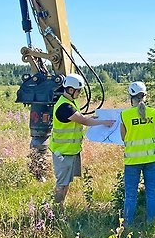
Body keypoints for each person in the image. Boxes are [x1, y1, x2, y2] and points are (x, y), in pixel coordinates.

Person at [48, 73, 114, 208]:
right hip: (63, 153)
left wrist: (94, 119)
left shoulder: (70, 103)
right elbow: (83, 121)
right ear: (71, 90)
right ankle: (55, 210)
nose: (80, 93)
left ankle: (59, 208)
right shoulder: (64, 107)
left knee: (66, 183)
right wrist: (104, 122)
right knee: (62, 184)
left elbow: (79, 117)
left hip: (69, 151)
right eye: (78, 91)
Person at [120, 81, 155, 226]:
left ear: (131, 96)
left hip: (132, 162)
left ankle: (127, 226)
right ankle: (151, 224)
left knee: (130, 195)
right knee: (151, 193)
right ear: (145, 96)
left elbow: (123, 137)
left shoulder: (125, 115)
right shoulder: (154, 113)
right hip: (151, 159)